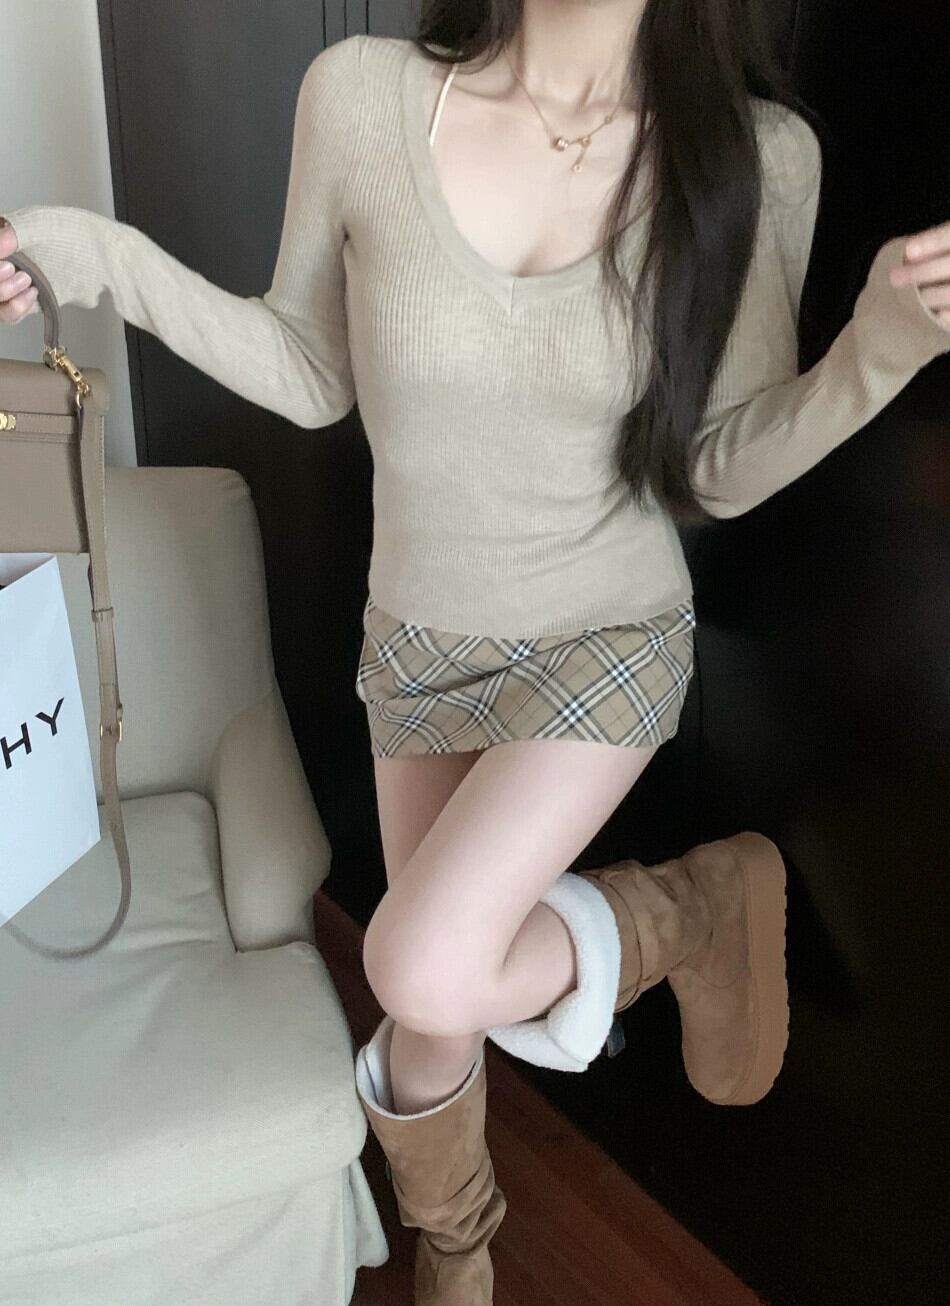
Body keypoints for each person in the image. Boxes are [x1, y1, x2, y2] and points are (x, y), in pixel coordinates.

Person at [3, 3, 949, 1302]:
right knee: (434, 1006)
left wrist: (877, 354)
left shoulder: (755, 156)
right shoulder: (363, 96)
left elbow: (714, 472)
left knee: (418, 961)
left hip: (606, 635)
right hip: (419, 641)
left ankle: (681, 910)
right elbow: (309, 371)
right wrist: (90, 254)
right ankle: (460, 1242)